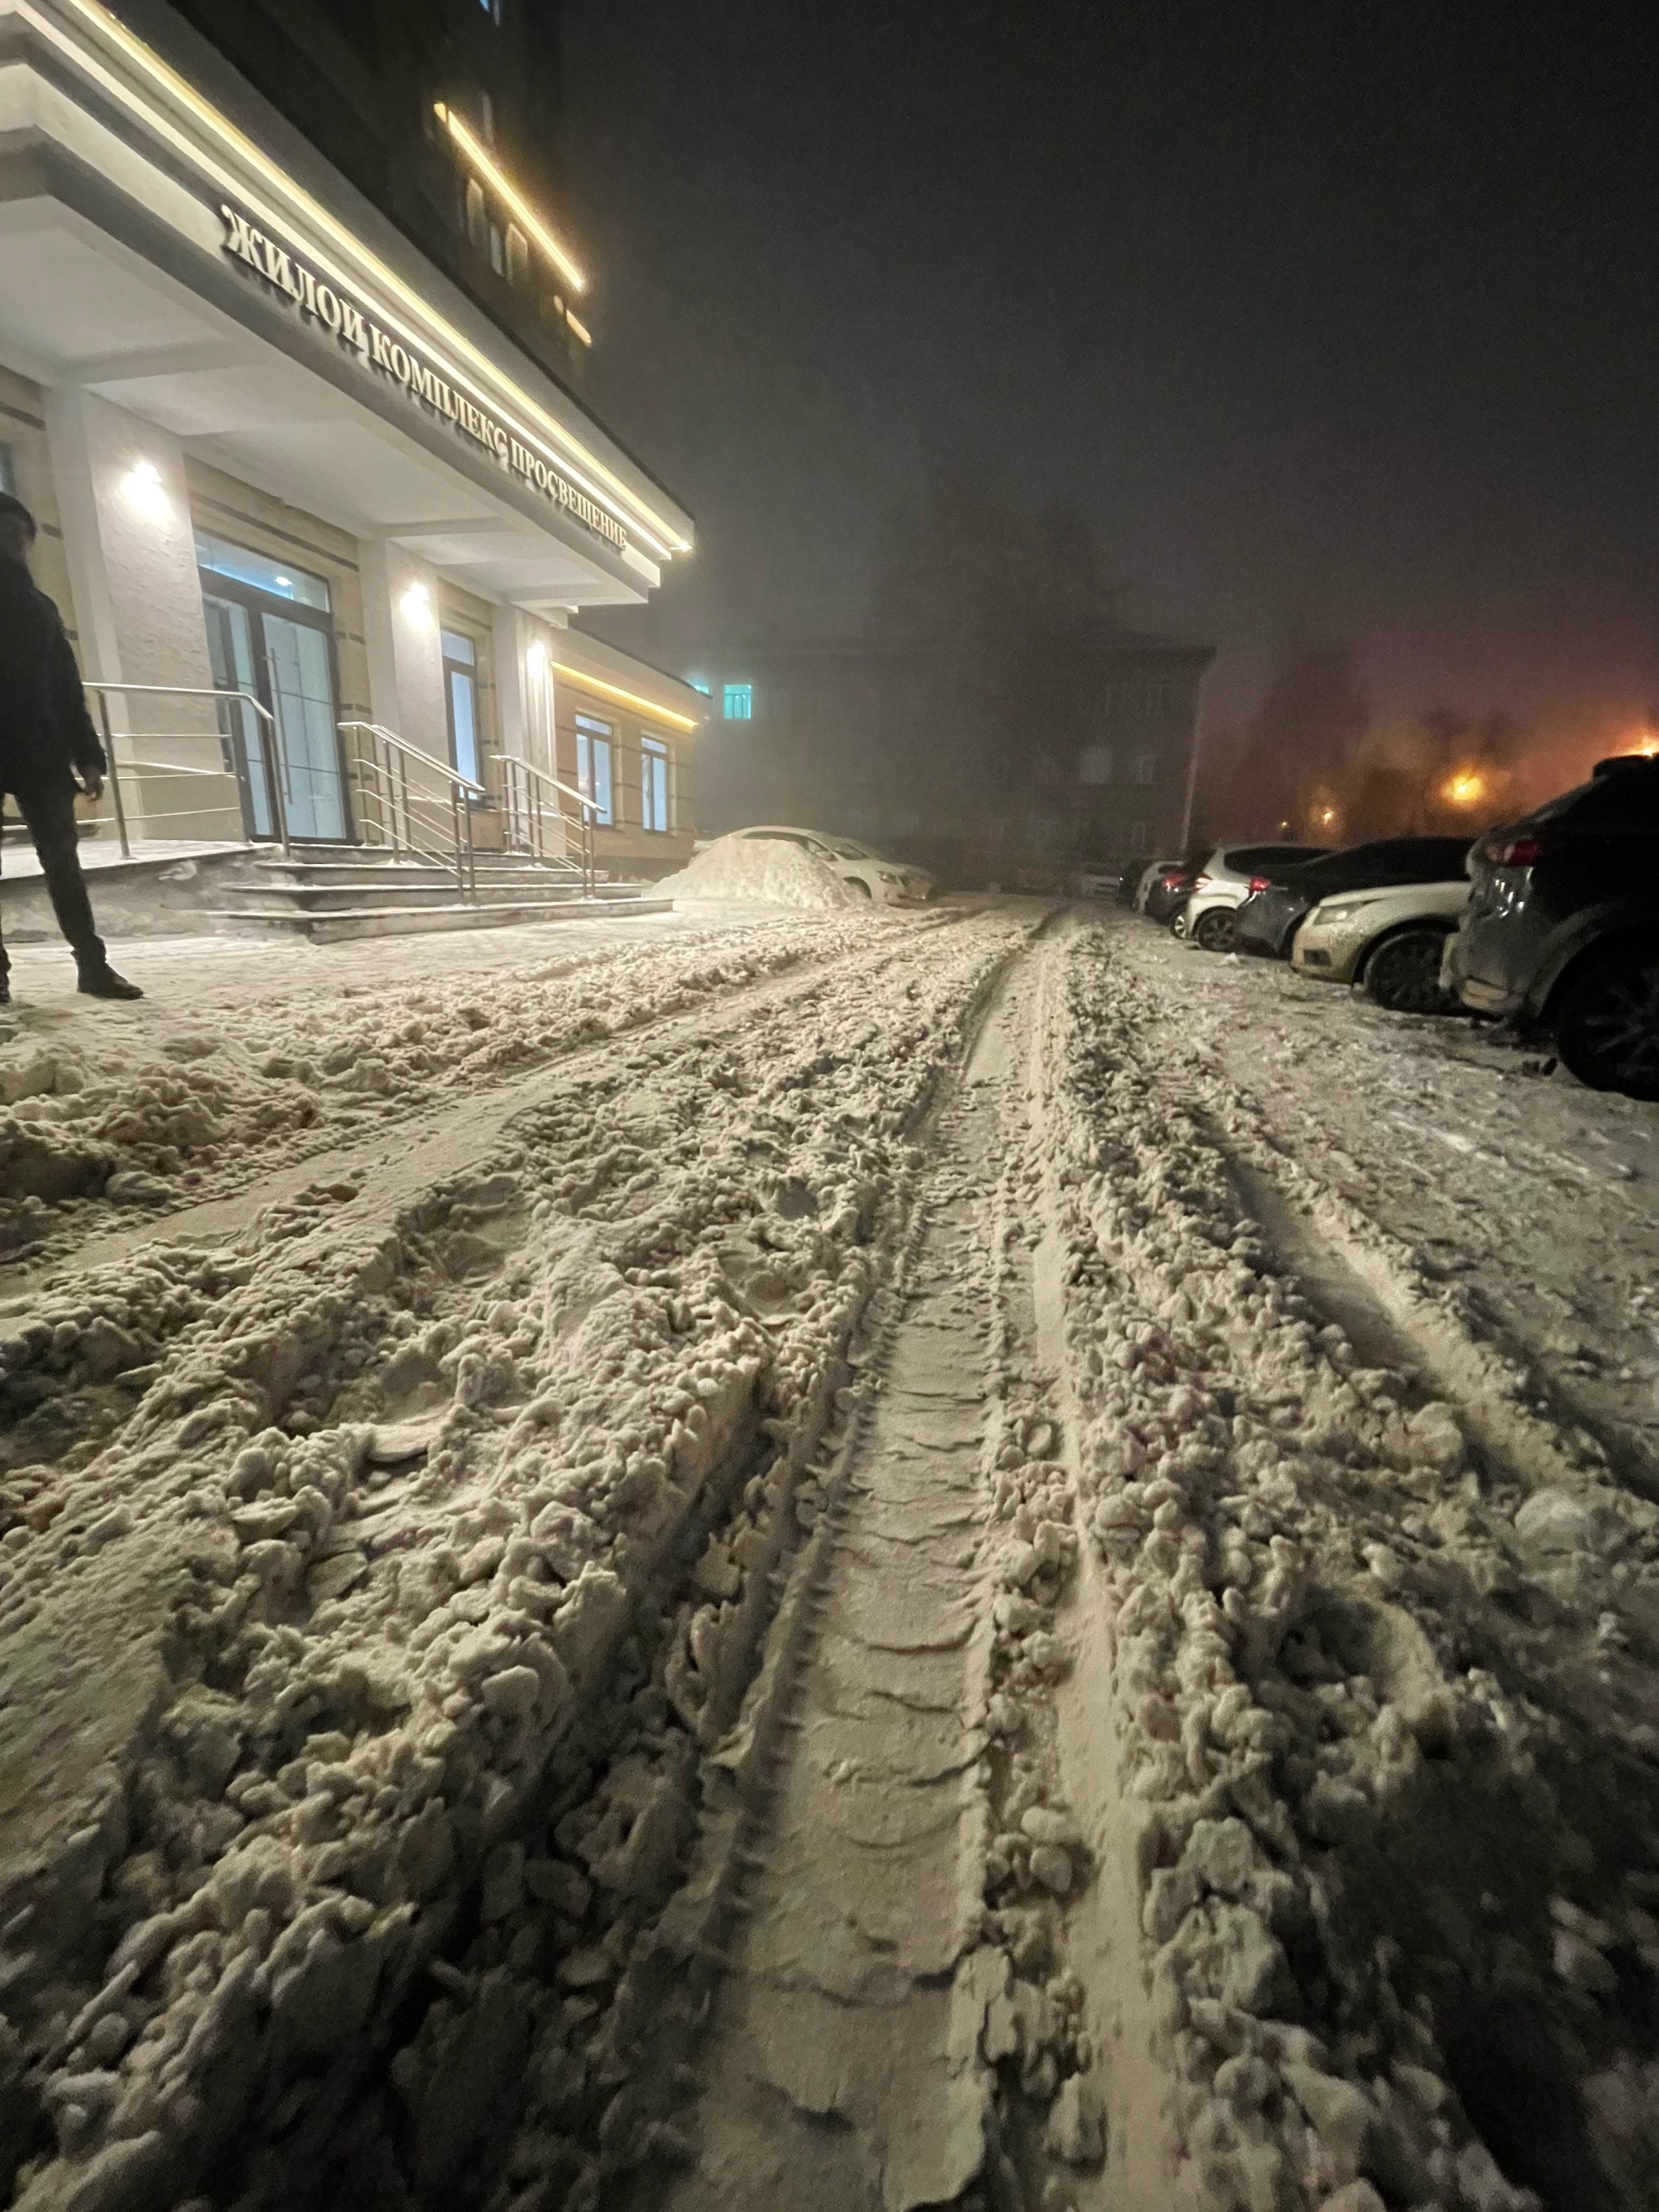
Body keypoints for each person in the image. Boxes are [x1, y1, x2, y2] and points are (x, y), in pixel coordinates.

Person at [0, 492, 140, 1003]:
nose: (10, 546)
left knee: (63, 862)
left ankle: (92, 965)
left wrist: (88, 758)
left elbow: (65, 686)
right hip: (31, 747)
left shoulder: (40, 609)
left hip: (40, 749)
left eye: (16, 537)